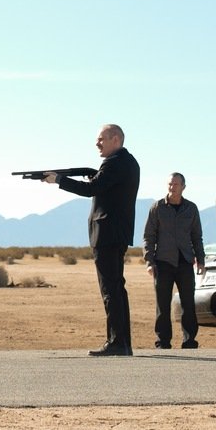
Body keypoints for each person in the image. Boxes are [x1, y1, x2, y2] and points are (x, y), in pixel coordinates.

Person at [43, 123, 140, 357]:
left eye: (101, 139)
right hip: (116, 233)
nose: (97, 143)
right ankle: (122, 342)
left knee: (110, 290)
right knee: (117, 289)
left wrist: (59, 180)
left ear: (116, 139)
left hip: (107, 234)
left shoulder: (114, 163)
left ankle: (117, 343)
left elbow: (91, 189)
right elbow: (102, 186)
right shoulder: (127, 162)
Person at [143, 172, 205, 350]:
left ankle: (189, 341)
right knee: (162, 306)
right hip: (163, 263)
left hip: (185, 262)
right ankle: (162, 342)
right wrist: (149, 262)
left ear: (183, 187)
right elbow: (149, 236)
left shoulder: (191, 208)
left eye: (176, 184)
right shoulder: (157, 208)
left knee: (188, 304)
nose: (172, 187)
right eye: (170, 184)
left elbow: (197, 236)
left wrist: (200, 260)